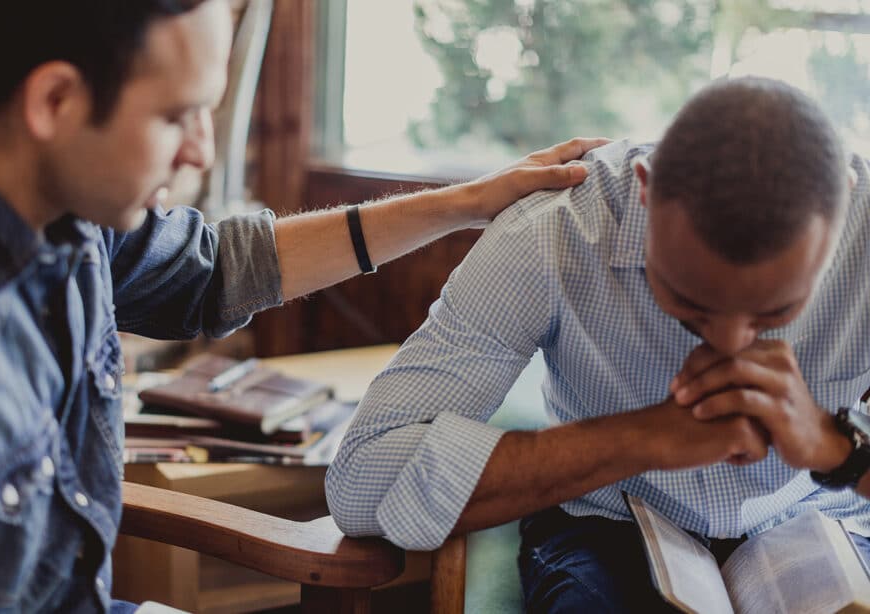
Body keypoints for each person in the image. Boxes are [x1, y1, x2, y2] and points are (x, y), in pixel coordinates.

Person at [0, 0, 606, 611]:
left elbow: (219, 272)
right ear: (55, 100)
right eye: (177, 116)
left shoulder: (52, 204)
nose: (203, 153)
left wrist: (468, 204)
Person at [326, 76, 870, 612]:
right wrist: (644, 437)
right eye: (690, 300)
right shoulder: (549, 231)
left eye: (775, 311)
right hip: (607, 522)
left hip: (822, 519)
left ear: (844, 210)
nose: (728, 346)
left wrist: (838, 450)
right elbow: (359, 484)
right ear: (645, 188)